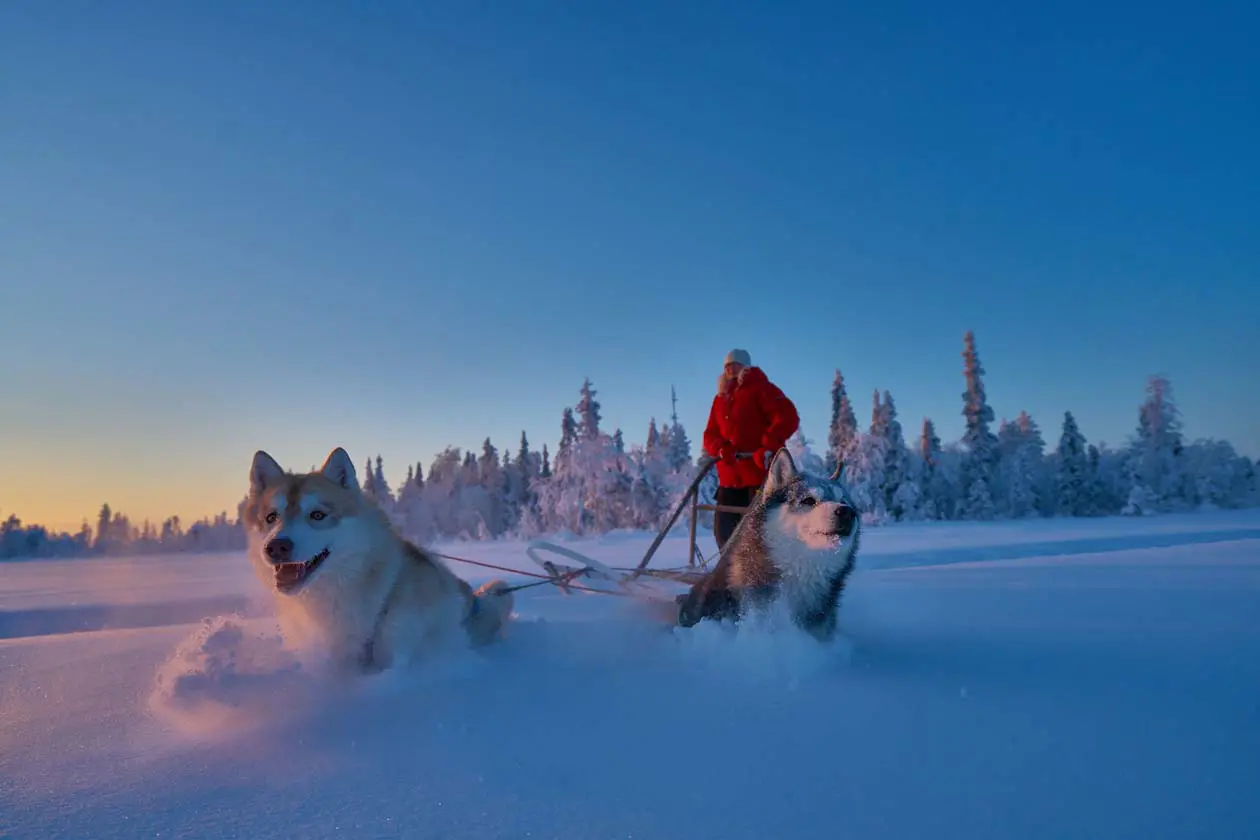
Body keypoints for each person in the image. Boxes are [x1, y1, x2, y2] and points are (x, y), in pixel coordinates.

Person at [702, 348, 800, 552]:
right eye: (727, 365)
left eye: (735, 364)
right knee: (724, 533)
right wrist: (720, 448)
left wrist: (768, 446)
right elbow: (709, 434)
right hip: (728, 478)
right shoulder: (719, 399)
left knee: (758, 533)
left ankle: (760, 576)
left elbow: (788, 417)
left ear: (745, 367)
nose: (730, 369)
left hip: (758, 475)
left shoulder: (762, 389)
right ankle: (728, 574)